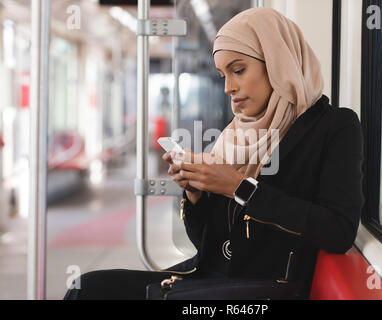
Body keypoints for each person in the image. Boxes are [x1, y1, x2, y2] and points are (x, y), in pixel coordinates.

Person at [64, 7, 364, 300]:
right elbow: (206, 245)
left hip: (263, 290)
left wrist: (238, 187)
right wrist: (194, 193)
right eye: (223, 76)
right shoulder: (235, 134)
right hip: (211, 278)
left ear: (277, 62)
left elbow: (338, 231)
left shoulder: (334, 126)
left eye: (238, 70)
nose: (228, 88)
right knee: (85, 288)